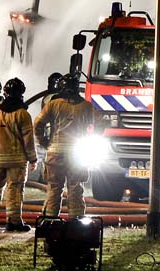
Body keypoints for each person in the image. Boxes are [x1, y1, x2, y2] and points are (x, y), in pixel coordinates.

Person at [34, 73, 97, 218]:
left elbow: (38, 124)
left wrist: (44, 142)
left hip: (55, 152)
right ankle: (76, 220)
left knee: (54, 187)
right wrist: (90, 138)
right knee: (75, 186)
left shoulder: (53, 105)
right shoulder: (87, 106)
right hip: (77, 154)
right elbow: (100, 123)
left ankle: (50, 219)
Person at [0, 77, 37, 231]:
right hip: (17, 161)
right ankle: (13, 222)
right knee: (15, 190)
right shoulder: (23, 114)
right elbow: (28, 141)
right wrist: (33, 159)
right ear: (21, 93)